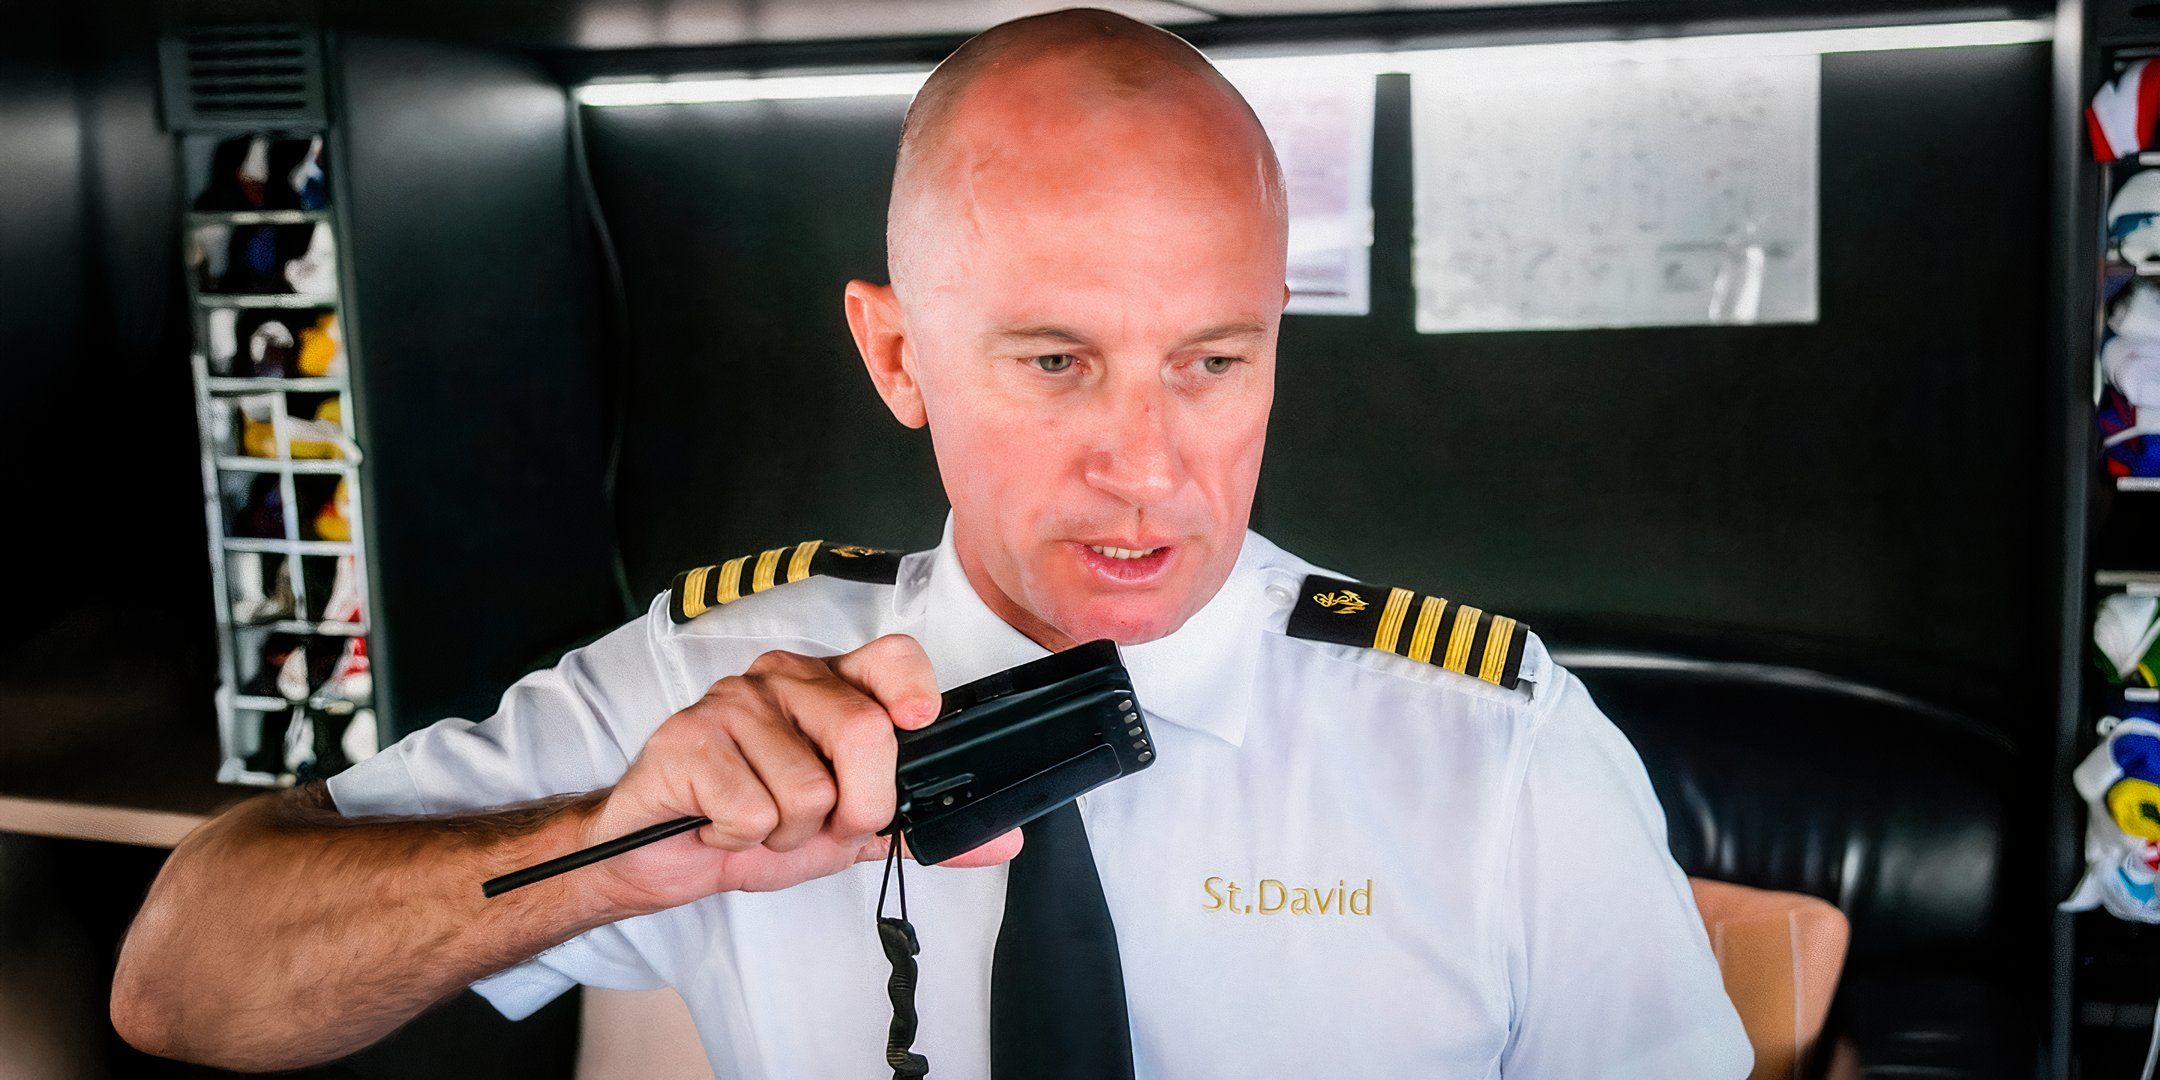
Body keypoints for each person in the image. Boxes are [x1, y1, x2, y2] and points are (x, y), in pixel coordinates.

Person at [111, 8, 1752, 1077]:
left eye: (1212, 360)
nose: (1145, 464)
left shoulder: (1490, 743)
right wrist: (633, 836)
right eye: (1054, 362)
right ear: (898, 357)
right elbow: (181, 978)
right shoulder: (714, 690)